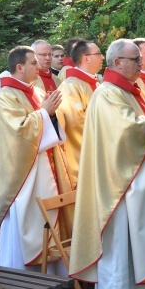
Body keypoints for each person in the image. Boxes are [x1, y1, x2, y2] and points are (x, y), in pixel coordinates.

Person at [69, 39, 145, 289]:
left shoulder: (129, 91)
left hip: (136, 183)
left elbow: (138, 126)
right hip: (117, 190)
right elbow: (123, 134)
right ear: (117, 62)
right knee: (120, 251)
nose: (141, 63)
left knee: (139, 247)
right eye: (135, 59)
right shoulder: (107, 93)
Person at [0, 46, 72, 271]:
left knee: (49, 218)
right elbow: (17, 134)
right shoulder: (6, 97)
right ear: (19, 67)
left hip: (45, 168)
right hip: (24, 176)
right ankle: (21, 278)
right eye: (34, 62)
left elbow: (52, 122)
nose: (40, 65)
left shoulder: (38, 92)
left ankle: (53, 276)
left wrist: (50, 113)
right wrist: (44, 113)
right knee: (28, 222)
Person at [56, 40, 103, 189]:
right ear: (86, 58)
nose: (102, 58)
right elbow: (76, 121)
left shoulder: (97, 83)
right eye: (99, 54)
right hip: (84, 156)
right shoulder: (70, 86)